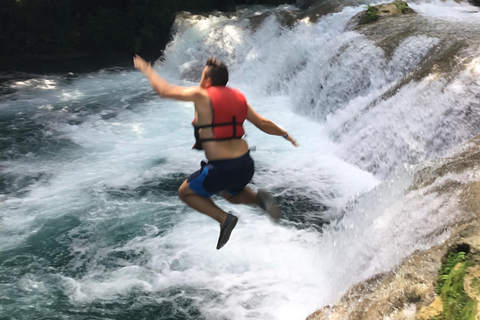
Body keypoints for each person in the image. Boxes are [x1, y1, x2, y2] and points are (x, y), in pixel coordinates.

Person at [133, 55, 297, 250]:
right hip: (246, 164)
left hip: (222, 167)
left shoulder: (201, 95)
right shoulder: (238, 97)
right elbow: (263, 123)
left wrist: (146, 69)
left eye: (202, 77)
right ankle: (258, 199)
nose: (200, 81)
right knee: (230, 193)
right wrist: (285, 134)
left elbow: (164, 90)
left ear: (208, 81)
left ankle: (224, 219)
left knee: (185, 192)